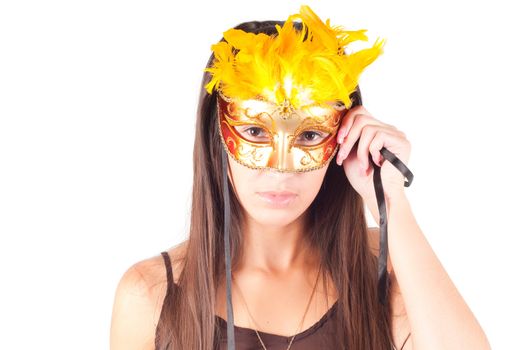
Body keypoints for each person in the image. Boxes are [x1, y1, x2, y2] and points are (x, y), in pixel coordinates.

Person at [110, 5, 491, 350]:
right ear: (218, 138)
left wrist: (390, 201)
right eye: (255, 132)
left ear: (343, 136)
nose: (280, 168)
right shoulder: (151, 294)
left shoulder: (387, 273)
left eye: (309, 135)